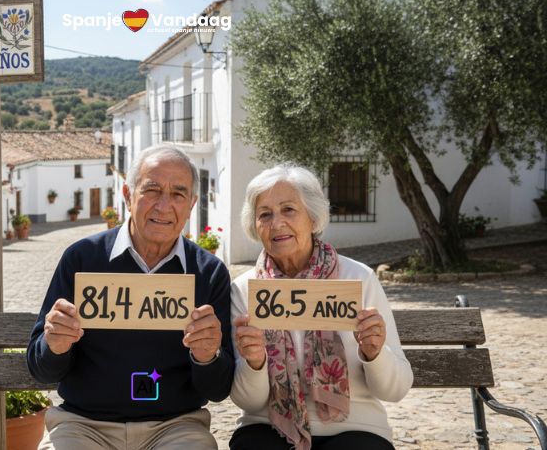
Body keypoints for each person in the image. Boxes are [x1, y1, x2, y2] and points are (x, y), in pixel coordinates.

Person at [27, 143, 234, 450]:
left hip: (175, 428)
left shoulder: (209, 273)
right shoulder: (82, 259)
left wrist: (207, 357)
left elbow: (217, 389)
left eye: (178, 194)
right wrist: (55, 345)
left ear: (191, 204)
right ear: (127, 195)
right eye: (152, 190)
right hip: (84, 426)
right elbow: (40, 369)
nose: (164, 206)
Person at [229, 164, 412, 450]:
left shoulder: (358, 278)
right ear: (255, 226)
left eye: (288, 209)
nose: (276, 223)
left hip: (356, 427)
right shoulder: (245, 290)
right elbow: (247, 401)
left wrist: (375, 354)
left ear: (313, 218)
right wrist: (254, 362)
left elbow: (396, 389)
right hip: (267, 425)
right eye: (265, 214)